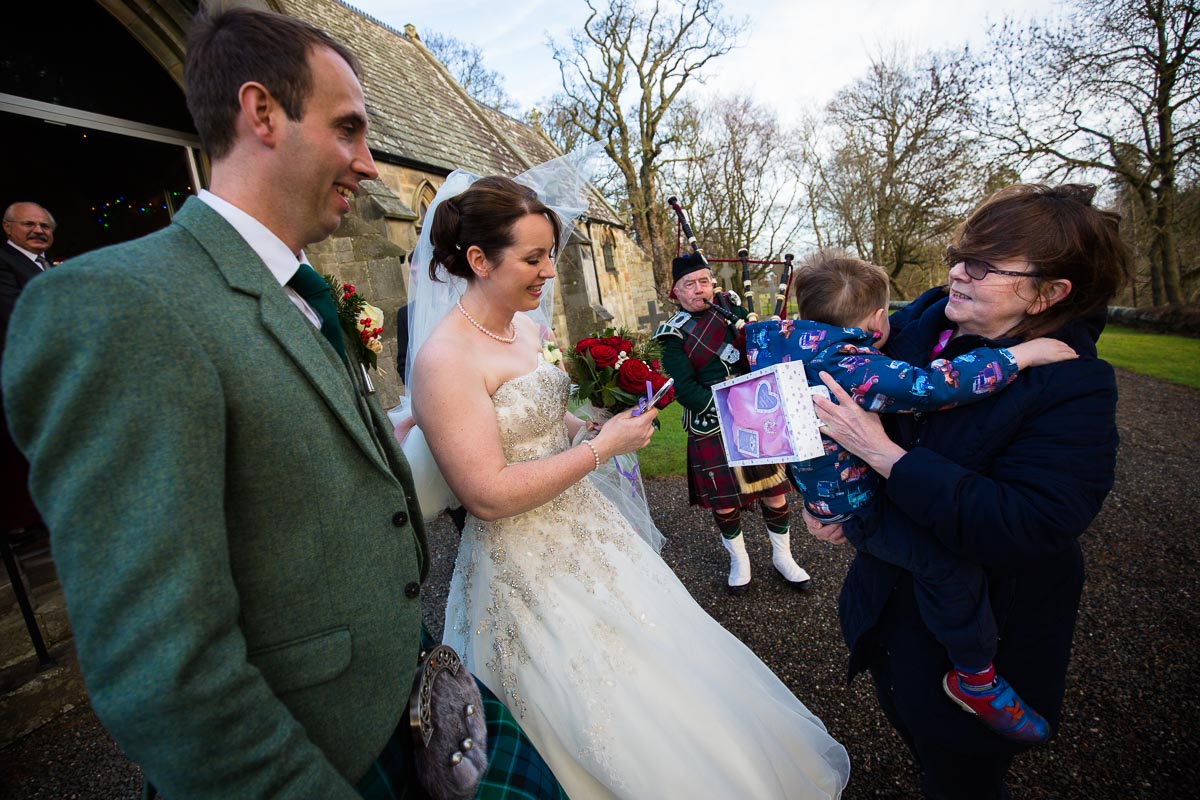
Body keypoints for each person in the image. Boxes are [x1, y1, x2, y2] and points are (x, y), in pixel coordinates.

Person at [2, 8, 562, 799]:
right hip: (317, 753)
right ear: (261, 113)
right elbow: (164, 669)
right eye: (348, 130)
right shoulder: (112, 304)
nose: (368, 165)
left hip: (413, 695)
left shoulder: (299, 289)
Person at [408, 175, 850, 799]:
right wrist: (600, 449)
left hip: (588, 532)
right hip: (522, 565)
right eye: (532, 259)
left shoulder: (523, 329)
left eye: (549, 256)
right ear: (479, 260)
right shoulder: (444, 361)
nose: (547, 272)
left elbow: (538, 420)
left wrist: (589, 424)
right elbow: (486, 493)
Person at [804, 184, 1127, 798]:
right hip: (885, 610)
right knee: (911, 732)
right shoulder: (901, 328)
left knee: (960, 777)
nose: (956, 271)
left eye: (983, 265)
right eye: (960, 255)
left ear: (1049, 293)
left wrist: (885, 454)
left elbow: (1030, 522)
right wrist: (827, 499)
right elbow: (817, 410)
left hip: (984, 638)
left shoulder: (1075, 384)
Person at [744, 251, 1078, 742]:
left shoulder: (775, 348)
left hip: (831, 494)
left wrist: (814, 499)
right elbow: (934, 386)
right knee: (945, 568)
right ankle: (975, 678)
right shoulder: (849, 366)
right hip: (861, 506)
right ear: (879, 320)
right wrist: (1020, 356)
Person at [655, 254, 811, 594]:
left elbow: (757, 356)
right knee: (724, 500)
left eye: (704, 281)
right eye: (689, 284)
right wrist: (731, 409)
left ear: (713, 284)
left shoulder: (734, 312)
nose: (699, 289)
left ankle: (783, 557)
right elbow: (685, 388)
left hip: (755, 414)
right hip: (711, 422)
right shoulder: (671, 334)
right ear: (675, 292)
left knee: (774, 492)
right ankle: (740, 560)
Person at [1, 202, 55, 544]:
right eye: (29, 224)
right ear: (8, 228)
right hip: (29, 376)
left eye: (45, 226)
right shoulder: (4, 263)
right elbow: (18, 316)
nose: (38, 231)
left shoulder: (45, 264)